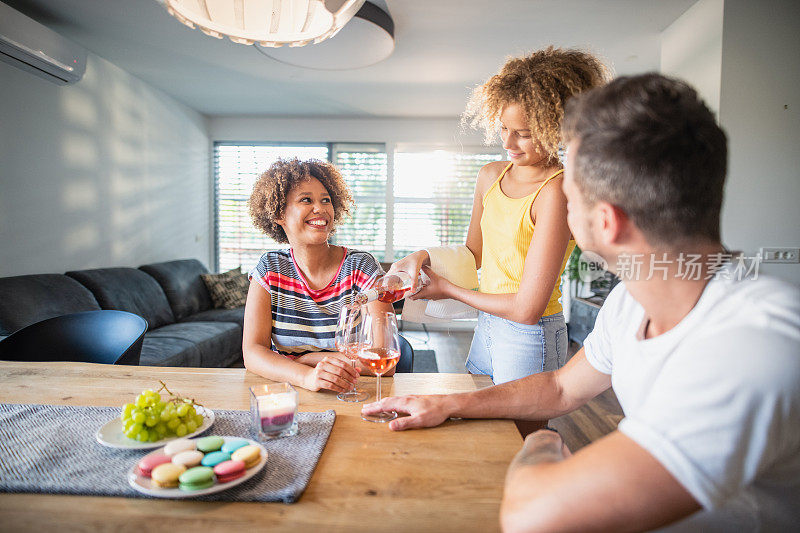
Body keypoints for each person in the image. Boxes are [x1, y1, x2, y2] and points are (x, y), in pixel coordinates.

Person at [363, 74, 800, 531]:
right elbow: (559, 388)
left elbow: (535, 515)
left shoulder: (752, 346)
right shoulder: (630, 304)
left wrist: (540, 444)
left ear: (606, 222)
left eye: (567, 191)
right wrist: (451, 404)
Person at [390, 47, 609, 385]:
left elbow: (527, 309)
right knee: (482, 432)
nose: (509, 142)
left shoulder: (558, 191)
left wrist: (447, 289)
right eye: (504, 128)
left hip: (530, 335)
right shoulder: (490, 175)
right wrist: (422, 256)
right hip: (488, 326)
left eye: (524, 132)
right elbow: (473, 255)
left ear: (558, 127)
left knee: (522, 437)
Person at [243, 158, 394, 392]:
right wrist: (306, 377)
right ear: (278, 214)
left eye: (326, 200)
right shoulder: (270, 268)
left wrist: (309, 361)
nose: (321, 208)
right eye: (306, 200)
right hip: (292, 392)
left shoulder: (361, 267)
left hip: (355, 391)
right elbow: (252, 352)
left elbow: (384, 358)